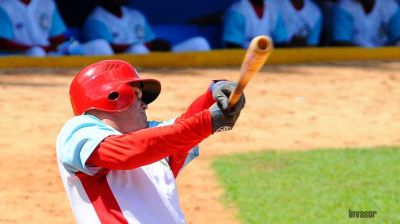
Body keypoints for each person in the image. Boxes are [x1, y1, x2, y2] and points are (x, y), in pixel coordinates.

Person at [56, 59, 245, 223]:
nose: (145, 105)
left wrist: (212, 94)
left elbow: (178, 130)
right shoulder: (77, 130)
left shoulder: (153, 144)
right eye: (137, 96)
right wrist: (206, 122)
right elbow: (126, 152)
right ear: (112, 96)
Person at [82, 0, 211, 54]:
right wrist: (146, 46)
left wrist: (159, 43)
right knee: (138, 49)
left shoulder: (135, 14)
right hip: (127, 63)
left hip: (151, 55)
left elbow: (150, 40)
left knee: (199, 43)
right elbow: (108, 49)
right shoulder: (96, 18)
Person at [0, 0, 113, 57]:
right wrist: (39, 47)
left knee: (100, 45)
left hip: (49, 52)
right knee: (36, 52)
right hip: (17, 55)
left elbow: (58, 37)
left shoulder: (47, 3)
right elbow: (3, 42)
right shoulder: (4, 5)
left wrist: (57, 46)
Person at [331, 0, 400, 47]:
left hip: (383, 58)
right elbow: (341, 43)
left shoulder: (390, 5)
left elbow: (397, 38)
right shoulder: (344, 6)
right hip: (354, 60)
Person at [222, 0, 289, 48]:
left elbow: (281, 42)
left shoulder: (273, 9)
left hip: (269, 59)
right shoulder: (237, 12)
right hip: (244, 61)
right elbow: (233, 47)